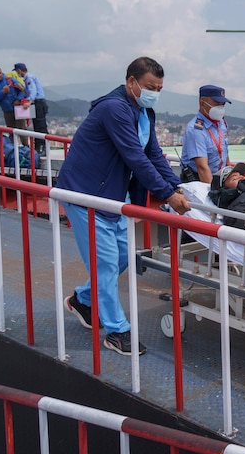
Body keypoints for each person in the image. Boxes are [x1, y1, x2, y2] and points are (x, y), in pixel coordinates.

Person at [57, 56, 191, 356]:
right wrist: (168, 196)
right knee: (104, 263)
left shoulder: (145, 112)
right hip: (85, 194)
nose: (154, 92)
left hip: (112, 197)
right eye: (149, 86)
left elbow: (154, 154)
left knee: (123, 256)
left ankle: (83, 299)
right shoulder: (114, 109)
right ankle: (117, 331)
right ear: (131, 82)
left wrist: (176, 186)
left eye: (158, 88)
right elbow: (135, 157)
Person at [179, 85, 231, 183]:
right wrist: (214, 194)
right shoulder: (196, 130)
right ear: (202, 103)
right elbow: (202, 167)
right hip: (199, 181)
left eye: (223, 104)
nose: (220, 108)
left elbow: (224, 152)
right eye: (217, 104)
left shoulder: (221, 123)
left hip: (219, 178)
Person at [14, 63, 49, 154]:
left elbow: (33, 91)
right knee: (37, 126)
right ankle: (39, 147)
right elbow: (28, 91)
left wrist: (29, 102)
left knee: (40, 126)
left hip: (38, 103)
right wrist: (22, 89)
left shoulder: (28, 78)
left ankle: (42, 147)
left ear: (19, 70)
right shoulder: (28, 78)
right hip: (37, 103)